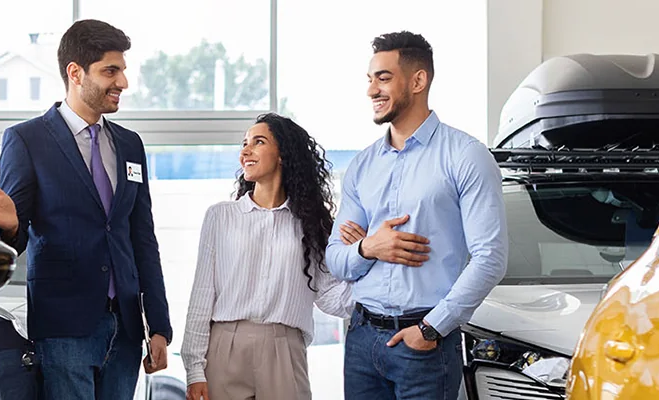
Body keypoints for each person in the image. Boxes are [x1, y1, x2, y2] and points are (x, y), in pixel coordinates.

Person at [0, 19, 172, 400]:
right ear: (75, 73)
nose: (123, 82)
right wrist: (11, 227)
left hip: (126, 329)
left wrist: (158, 325)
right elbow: (14, 241)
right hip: (64, 328)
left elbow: (142, 239)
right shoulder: (27, 140)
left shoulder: (129, 145)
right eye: (111, 71)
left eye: (123, 70)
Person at [324, 31, 508, 400]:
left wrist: (431, 329)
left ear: (418, 80)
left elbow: (490, 258)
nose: (372, 90)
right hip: (361, 339)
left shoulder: (466, 155)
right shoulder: (362, 166)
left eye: (384, 77)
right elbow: (335, 259)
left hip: (425, 345)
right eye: (370, 79)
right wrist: (368, 247)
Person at [180, 114, 352, 400]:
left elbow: (331, 296)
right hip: (225, 347)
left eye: (258, 142)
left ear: (283, 153)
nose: (245, 151)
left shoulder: (312, 225)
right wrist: (194, 369)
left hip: (285, 349)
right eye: (244, 144)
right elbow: (202, 295)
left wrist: (372, 265)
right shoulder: (221, 216)